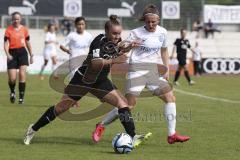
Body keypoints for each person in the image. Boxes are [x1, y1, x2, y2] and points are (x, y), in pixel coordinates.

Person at [23, 15, 144, 146]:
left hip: (100, 81)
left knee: (123, 104)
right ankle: (33, 129)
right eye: (114, 33)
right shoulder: (98, 41)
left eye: (119, 33)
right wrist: (115, 60)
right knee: (61, 108)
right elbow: (95, 64)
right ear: (107, 31)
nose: (117, 36)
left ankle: (133, 136)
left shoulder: (117, 41)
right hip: (82, 80)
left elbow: (119, 49)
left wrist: (130, 47)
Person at [92, 4, 190, 145]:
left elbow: (164, 51)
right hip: (137, 71)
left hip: (153, 72)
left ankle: (172, 134)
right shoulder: (136, 32)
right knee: (128, 105)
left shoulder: (162, 32)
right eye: (148, 21)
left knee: (170, 97)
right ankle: (101, 125)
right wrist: (130, 45)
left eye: (153, 22)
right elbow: (121, 47)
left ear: (158, 20)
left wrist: (167, 69)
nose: (150, 24)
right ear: (144, 20)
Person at [4, 12, 33, 104]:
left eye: (17, 19)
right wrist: (7, 54)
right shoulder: (8, 30)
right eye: (14, 19)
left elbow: (28, 42)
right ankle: (12, 92)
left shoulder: (24, 30)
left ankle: (21, 98)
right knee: (12, 78)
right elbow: (5, 44)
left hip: (22, 53)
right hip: (12, 53)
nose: (16, 20)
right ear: (12, 19)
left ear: (20, 19)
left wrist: (31, 54)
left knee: (22, 74)